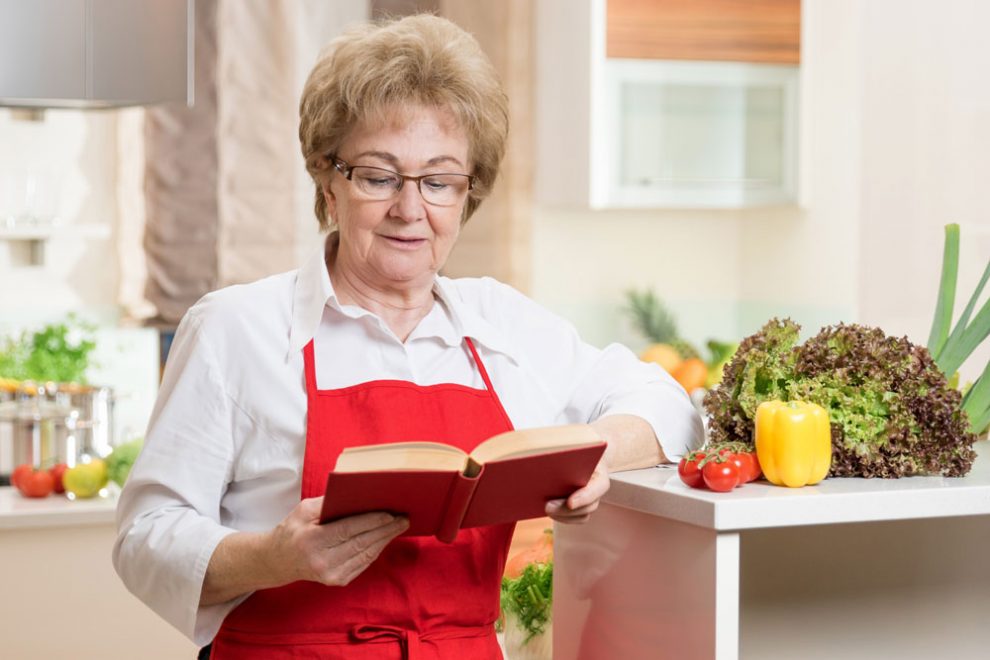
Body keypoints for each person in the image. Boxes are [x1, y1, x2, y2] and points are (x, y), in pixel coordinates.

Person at [113, 13, 704, 660]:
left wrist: (591, 456)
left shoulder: (503, 325)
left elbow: (668, 403)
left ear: (467, 193)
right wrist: (273, 557)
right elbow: (145, 538)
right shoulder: (236, 329)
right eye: (378, 175)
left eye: (439, 180)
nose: (410, 208)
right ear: (327, 180)